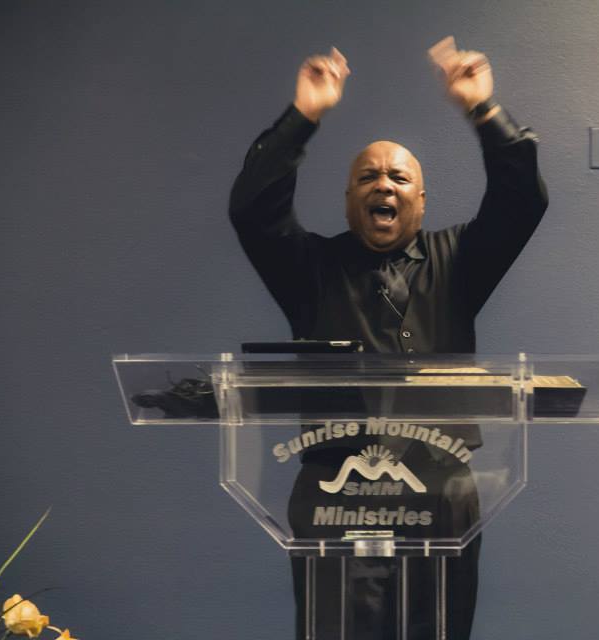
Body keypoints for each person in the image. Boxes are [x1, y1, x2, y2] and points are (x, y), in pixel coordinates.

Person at [229, 36, 547, 640]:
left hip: (442, 489)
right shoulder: (309, 270)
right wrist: (304, 115)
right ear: (349, 198)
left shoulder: (460, 261)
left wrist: (484, 109)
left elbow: (521, 199)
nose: (384, 185)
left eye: (399, 177)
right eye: (368, 177)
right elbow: (252, 209)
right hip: (335, 491)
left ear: (420, 201)